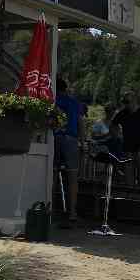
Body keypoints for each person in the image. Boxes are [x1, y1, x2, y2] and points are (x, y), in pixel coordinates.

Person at [54, 78, 86, 224]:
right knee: (72, 177)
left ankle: (50, 209)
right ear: (66, 89)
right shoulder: (74, 103)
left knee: (53, 174)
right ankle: (72, 213)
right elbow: (81, 123)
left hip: (55, 138)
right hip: (71, 139)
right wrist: (83, 142)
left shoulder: (52, 100)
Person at [112, 91, 140, 187]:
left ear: (134, 101)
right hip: (128, 147)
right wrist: (118, 137)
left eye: (127, 102)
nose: (125, 104)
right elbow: (113, 125)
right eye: (124, 102)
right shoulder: (122, 113)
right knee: (128, 175)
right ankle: (130, 195)